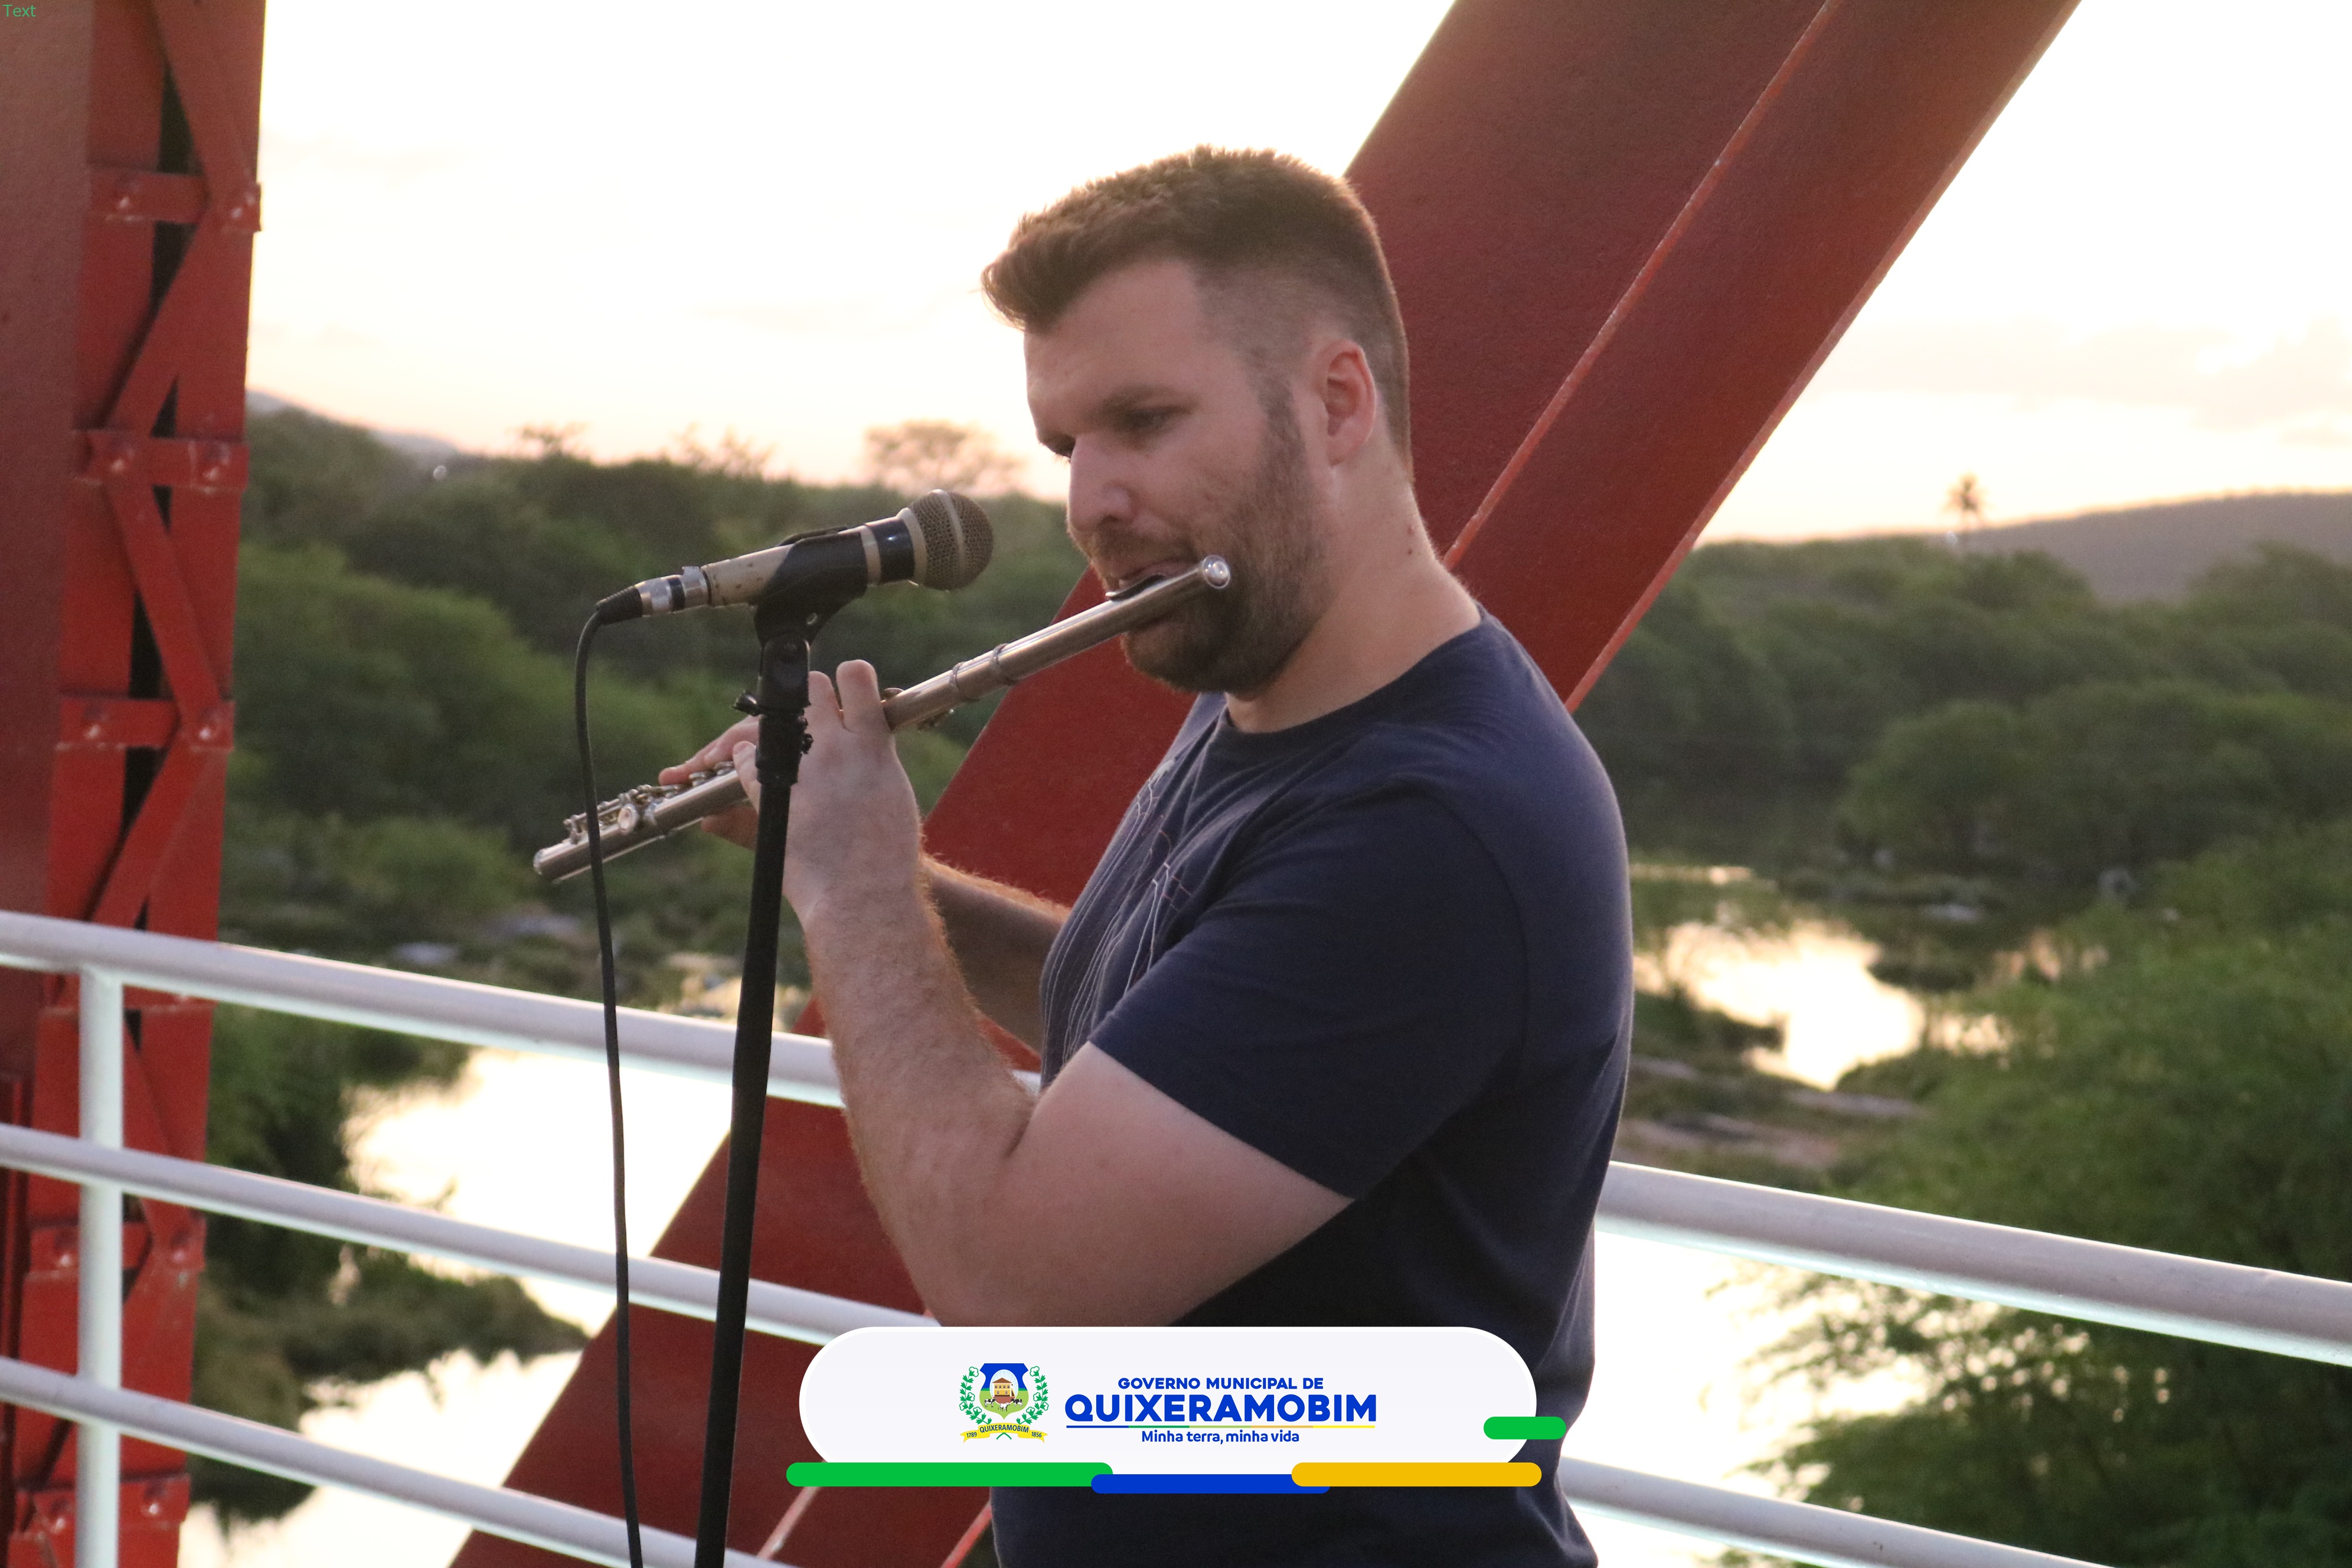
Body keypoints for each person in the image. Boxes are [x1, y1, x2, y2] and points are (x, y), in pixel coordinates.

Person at [669, 146, 1631, 1567]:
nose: (1094, 502)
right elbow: (1189, 1031)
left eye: (1146, 421)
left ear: (1337, 402)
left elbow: (1008, 1286)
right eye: (1070, 445)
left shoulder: (1427, 823)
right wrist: (875, 874)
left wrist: (857, 882)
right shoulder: (1268, 694)